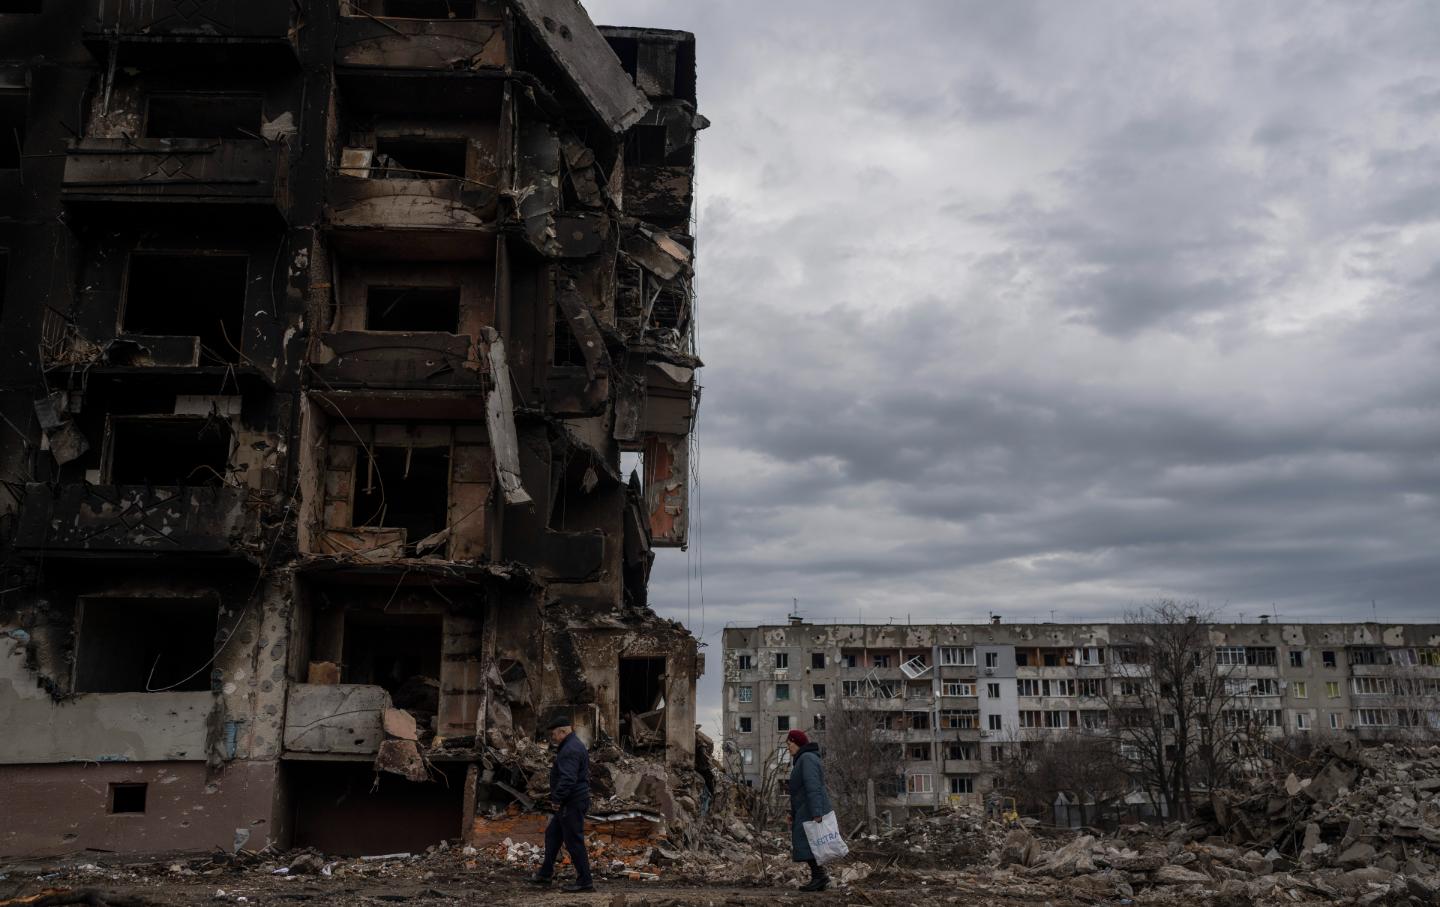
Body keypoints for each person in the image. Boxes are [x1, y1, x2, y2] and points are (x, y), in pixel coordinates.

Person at [526, 715, 594, 892]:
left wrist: (557, 800)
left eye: (554, 734)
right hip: (571, 801)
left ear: (563, 731)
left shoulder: (570, 749)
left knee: (574, 841)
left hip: (571, 802)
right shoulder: (572, 745)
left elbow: (568, 779)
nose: (552, 738)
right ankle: (545, 873)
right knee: (553, 834)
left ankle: (585, 882)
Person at [786, 728, 835, 892]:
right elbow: (798, 791)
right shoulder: (803, 759)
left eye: (789, 743)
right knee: (809, 843)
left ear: (797, 743)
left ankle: (819, 877)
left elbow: (813, 786)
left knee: (810, 843)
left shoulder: (806, 758)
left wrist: (816, 812)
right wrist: (792, 814)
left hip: (810, 809)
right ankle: (819, 876)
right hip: (804, 809)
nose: (788, 747)